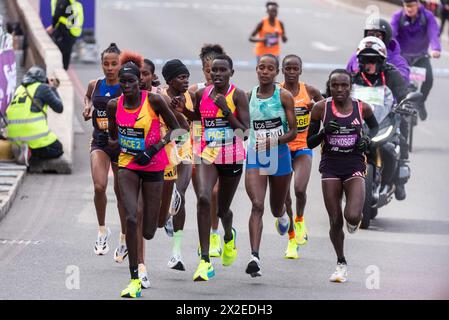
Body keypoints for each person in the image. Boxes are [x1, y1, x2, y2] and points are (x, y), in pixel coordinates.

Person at [107, 51, 180, 298]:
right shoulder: (113, 105)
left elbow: (178, 129)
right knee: (131, 216)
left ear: (140, 81)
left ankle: (162, 215)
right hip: (127, 164)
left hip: (154, 165)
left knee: (149, 229)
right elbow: (112, 136)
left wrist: (154, 149)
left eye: (131, 82)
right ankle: (134, 278)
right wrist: (116, 143)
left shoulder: (154, 102)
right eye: (122, 82)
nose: (126, 86)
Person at [181, 54, 249, 281]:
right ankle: (204, 261)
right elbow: (199, 121)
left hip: (231, 155)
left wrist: (227, 111)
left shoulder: (237, 95)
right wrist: (184, 110)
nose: (217, 74)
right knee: (203, 197)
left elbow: (245, 132)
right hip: (207, 153)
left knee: (222, 210)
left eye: (222, 70)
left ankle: (229, 235)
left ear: (231, 73)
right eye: (214, 71)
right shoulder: (202, 94)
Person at [307, 69, 379, 283]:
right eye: (335, 85)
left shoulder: (362, 107)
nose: (340, 89)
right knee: (335, 220)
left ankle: (353, 218)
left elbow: (375, 128)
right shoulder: (321, 109)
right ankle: (341, 263)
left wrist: (367, 140)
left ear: (350, 86)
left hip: (354, 164)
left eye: (344, 85)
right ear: (329, 86)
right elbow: (309, 142)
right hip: (330, 166)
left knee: (353, 216)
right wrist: (322, 132)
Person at [245, 54, 296, 277]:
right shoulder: (248, 96)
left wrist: (272, 141)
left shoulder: (283, 96)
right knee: (257, 204)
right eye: (261, 67)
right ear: (256, 70)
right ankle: (254, 256)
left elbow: (292, 133)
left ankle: (283, 213)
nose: (265, 71)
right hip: (256, 155)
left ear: (276, 72)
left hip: (279, 155)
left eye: (270, 68)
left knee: (276, 208)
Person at [83, 43, 128, 262]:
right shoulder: (95, 84)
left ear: (120, 64)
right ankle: (102, 231)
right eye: (106, 64)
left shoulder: (126, 86)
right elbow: (88, 97)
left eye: (114, 64)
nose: (109, 68)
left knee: (121, 193)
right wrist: (88, 107)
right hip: (100, 141)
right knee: (99, 186)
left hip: (121, 145)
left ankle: (123, 237)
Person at [351, 36, 411, 201]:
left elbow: (403, 94)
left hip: (384, 121)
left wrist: (407, 104)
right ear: (359, 61)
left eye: (373, 59)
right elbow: (337, 92)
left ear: (381, 60)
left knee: (391, 148)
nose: (369, 64)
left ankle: (398, 181)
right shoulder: (352, 77)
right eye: (365, 59)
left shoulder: (392, 75)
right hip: (358, 124)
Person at [280, 54, 324, 259]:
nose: (291, 72)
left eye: (294, 68)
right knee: (284, 197)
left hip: (303, 146)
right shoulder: (276, 92)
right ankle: (291, 240)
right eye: (287, 68)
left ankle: (299, 219)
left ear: (300, 70)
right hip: (281, 148)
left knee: (299, 188)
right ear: (282, 70)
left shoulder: (310, 91)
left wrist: (314, 109)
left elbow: (327, 109)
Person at [189, 44, 226, 258]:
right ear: (204, 70)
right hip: (198, 147)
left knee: (214, 193)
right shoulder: (196, 91)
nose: (213, 74)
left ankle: (214, 234)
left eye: (217, 69)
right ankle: (206, 235)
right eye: (208, 70)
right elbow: (185, 117)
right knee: (203, 197)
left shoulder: (230, 92)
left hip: (222, 148)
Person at [160, 59, 196, 271]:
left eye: (186, 77)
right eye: (181, 77)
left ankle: (176, 252)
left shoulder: (191, 97)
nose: (186, 81)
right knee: (167, 201)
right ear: (169, 80)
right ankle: (165, 216)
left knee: (180, 194)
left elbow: (198, 121)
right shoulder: (160, 98)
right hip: (166, 151)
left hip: (187, 149)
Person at [391, 0, 442, 120]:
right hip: (402, 57)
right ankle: (395, 105)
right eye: (406, 6)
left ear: (418, 4)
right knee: (396, 79)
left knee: (429, 79)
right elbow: (391, 34)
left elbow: (433, 33)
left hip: (420, 56)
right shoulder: (397, 17)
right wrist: (389, 48)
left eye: (412, 6)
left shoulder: (427, 16)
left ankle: (421, 102)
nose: (409, 9)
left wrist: (436, 48)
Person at [7, 66, 64, 166]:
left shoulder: (19, 89)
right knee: (57, 149)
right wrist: (53, 88)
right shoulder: (43, 88)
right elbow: (59, 108)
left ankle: (21, 149)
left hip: (13, 137)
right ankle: (30, 153)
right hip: (32, 136)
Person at [346, 18, 410, 83]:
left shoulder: (398, 61)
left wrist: (388, 72)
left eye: (378, 35)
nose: (373, 38)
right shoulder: (356, 57)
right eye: (370, 35)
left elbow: (403, 82)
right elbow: (346, 79)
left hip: (385, 92)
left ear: (386, 37)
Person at [47, 0, 84, 70]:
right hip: (73, 32)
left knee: (59, 56)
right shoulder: (75, 3)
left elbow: (57, 15)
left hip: (65, 32)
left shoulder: (63, 1)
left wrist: (53, 26)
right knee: (66, 56)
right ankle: (63, 70)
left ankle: (61, 72)